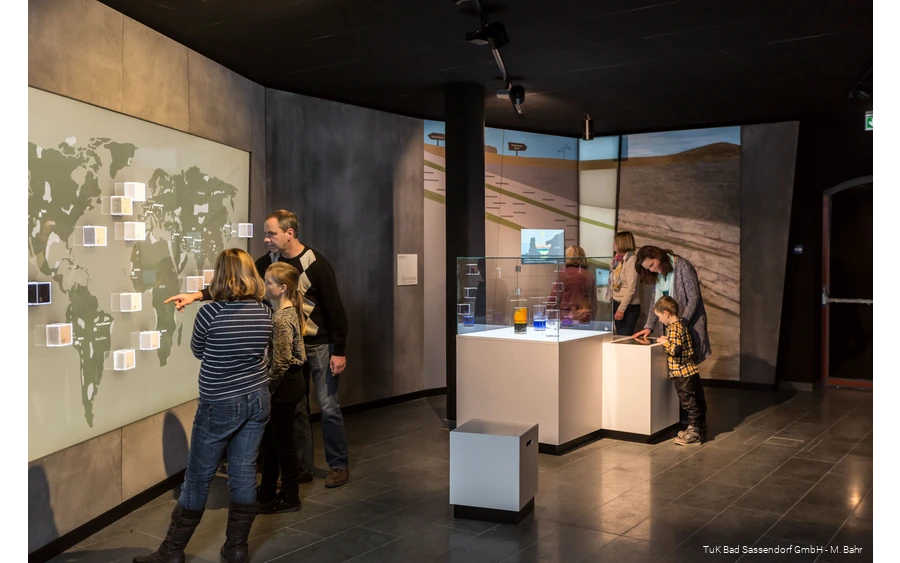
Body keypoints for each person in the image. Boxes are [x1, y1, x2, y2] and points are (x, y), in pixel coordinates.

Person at [165, 209, 351, 489]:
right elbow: (237, 283)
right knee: (297, 409)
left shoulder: (315, 263)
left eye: (271, 233)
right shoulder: (268, 262)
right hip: (288, 346)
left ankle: (339, 464)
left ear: (290, 234)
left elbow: (336, 308)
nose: (265, 239)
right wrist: (196, 296)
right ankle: (301, 468)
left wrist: (340, 349)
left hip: (318, 344)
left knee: (328, 406)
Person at [136, 248, 272, 563]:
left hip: (219, 403)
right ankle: (236, 549)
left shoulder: (210, 314)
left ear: (220, 275)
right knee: (243, 472)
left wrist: (200, 299)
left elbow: (199, 350)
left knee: (198, 476)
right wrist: (197, 295)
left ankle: (172, 551)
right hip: (258, 399)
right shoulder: (264, 310)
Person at [258, 262, 308, 514]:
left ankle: (289, 495)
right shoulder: (291, 312)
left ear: (282, 287)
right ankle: (267, 488)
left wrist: (267, 387)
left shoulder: (280, 318)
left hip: (285, 386)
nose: (265, 286)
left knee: (282, 441)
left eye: (268, 282)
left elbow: (281, 360)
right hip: (292, 383)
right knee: (274, 439)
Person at [632, 245, 711, 365]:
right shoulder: (658, 275)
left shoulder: (682, 266)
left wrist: (680, 325)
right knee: (676, 364)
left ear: (658, 256)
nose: (652, 270)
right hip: (673, 327)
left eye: (652, 264)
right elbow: (656, 303)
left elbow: (694, 298)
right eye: (648, 269)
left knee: (688, 364)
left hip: (689, 324)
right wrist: (649, 326)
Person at [654, 296, 708, 445]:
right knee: (696, 400)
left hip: (681, 372)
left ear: (666, 313)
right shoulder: (681, 326)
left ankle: (694, 432)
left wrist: (665, 342)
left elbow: (676, 350)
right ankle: (699, 428)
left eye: (659, 316)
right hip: (690, 370)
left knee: (689, 403)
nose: (659, 320)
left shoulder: (673, 328)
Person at [550, 245, 597, 325]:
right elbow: (594, 303)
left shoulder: (563, 274)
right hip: (584, 319)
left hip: (566, 320)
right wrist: (591, 318)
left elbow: (553, 300)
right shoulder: (590, 276)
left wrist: (549, 317)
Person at [608, 232, 640, 335]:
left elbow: (631, 287)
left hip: (627, 306)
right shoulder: (620, 260)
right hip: (617, 301)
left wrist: (621, 309)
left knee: (624, 338)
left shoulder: (631, 260)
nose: (613, 244)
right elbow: (613, 279)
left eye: (615, 242)